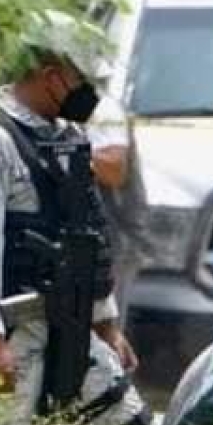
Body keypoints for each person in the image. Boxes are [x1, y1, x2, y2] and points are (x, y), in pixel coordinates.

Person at [0, 10, 164, 425]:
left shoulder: (68, 138)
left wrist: (107, 324)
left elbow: (91, 238)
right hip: (11, 334)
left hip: (72, 328)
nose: (88, 93)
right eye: (81, 78)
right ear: (51, 74)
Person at [87, 89, 149, 328]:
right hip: (82, 243)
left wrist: (67, 150)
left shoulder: (103, 110)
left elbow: (114, 169)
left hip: (113, 242)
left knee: (106, 333)